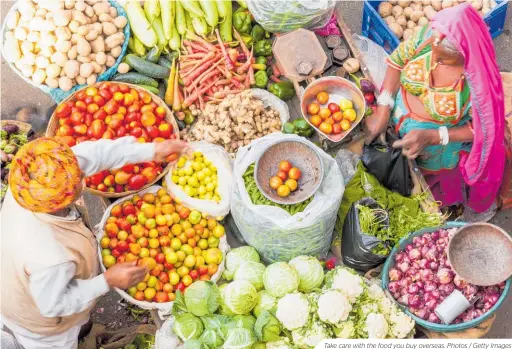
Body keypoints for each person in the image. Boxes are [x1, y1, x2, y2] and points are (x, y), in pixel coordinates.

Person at [1, 136, 188, 349]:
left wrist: (152, 150)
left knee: (78, 321)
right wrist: (107, 281)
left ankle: (85, 330)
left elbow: (92, 154)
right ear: (62, 201)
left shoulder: (32, 186)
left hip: (18, 273)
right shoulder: (50, 254)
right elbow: (54, 305)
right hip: (37, 320)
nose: (82, 174)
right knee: (63, 341)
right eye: (79, 178)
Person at [364, 3, 506, 222]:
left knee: (427, 185)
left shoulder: (479, 84)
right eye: (434, 53)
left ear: (465, 57)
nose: (434, 63)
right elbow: (397, 61)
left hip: (437, 150)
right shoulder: (430, 36)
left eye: (444, 61)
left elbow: (484, 131)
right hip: (398, 122)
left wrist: (434, 136)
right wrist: (384, 107)